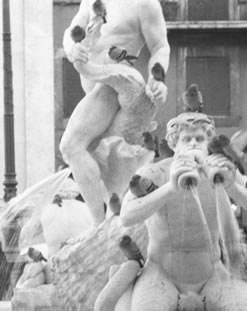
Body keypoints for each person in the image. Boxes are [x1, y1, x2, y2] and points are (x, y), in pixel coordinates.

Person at [96, 112, 247, 311]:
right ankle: (126, 294)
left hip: (212, 274)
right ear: (173, 144)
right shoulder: (156, 172)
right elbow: (127, 217)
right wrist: (171, 187)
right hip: (163, 274)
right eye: (186, 139)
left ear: (208, 142)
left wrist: (233, 187)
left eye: (199, 139)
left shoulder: (221, 169)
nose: (193, 143)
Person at [60, 0, 170, 224]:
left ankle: (98, 225)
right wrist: (73, 48)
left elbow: (160, 47)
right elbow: (72, 30)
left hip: (114, 86)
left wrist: (157, 80)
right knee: (102, 160)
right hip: (94, 87)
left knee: (71, 146)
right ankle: (112, 219)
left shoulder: (144, 4)